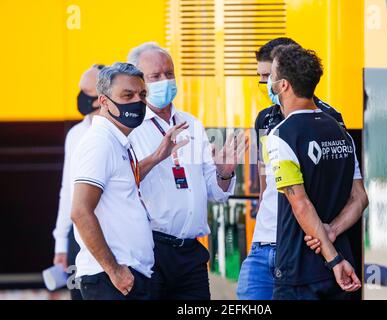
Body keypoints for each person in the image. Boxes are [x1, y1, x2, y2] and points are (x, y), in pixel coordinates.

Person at [236, 38, 368, 299]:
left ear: (283, 84)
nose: (265, 85)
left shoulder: (284, 134)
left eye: (269, 77)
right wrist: (330, 236)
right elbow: (360, 197)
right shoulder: (341, 133)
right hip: (272, 245)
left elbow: (301, 204)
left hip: (298, 253)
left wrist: (332, 255)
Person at [127, 42, 249, 300]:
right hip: (150, 251)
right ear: (140, 83)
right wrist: (157, 156)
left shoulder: (191, 124)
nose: (165, 81)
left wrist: (224, 172)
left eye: (169, 73)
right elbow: (123, 183)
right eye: (155, 76)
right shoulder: (131, 128)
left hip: (191, 255)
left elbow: (216, 193)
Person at [70, 62, 188, 300]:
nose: (138, 101)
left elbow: (123, 183)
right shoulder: (99, 143)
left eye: (142, 94)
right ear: (104, 101)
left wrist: (156, 157)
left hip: (127, 277)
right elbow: (80, 211)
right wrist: (114, 271)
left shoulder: (117, 141)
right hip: (112, 281)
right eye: (127, 95)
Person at [52, 64, 104, 300]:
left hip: (111, 237)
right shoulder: (75, 135)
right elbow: (67, 192)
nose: (81, 98)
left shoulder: (127, 134)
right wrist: (61, 244)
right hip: (79, 237)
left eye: (87, 92)